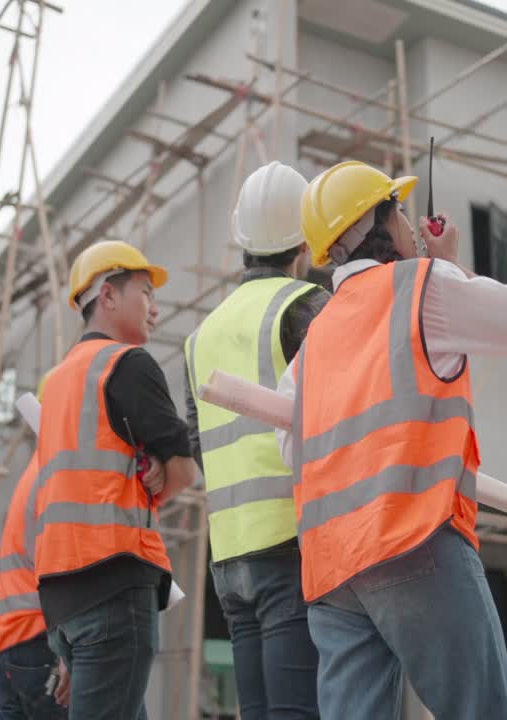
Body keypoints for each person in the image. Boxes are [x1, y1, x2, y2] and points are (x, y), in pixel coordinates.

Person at [274, 161, 507, 719]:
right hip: (413, 537)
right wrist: (447, 263)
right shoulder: (423, 287)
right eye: (398, 210)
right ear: (378, 223)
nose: (407, 221)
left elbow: (289, 445)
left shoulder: (314, 339)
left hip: (332, 571)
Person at [183, 161, 329, 719]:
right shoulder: (305, 306)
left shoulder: (200, 336)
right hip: (291, 543)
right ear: (305, 241)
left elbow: (198, 441)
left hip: (230, 552)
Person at [31, 240, 197, 720]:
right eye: (145, 293)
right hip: (115, 583)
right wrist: (159, 477)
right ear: (107, 294)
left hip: (62, 595)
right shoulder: (126, 364)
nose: (155, 309)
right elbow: (184, 471)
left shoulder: (56, 382)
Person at [0, 370, 68, 719]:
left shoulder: (38, 468)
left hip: (12, 643)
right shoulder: (59, 474)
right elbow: (65, 565)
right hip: (40, 644)